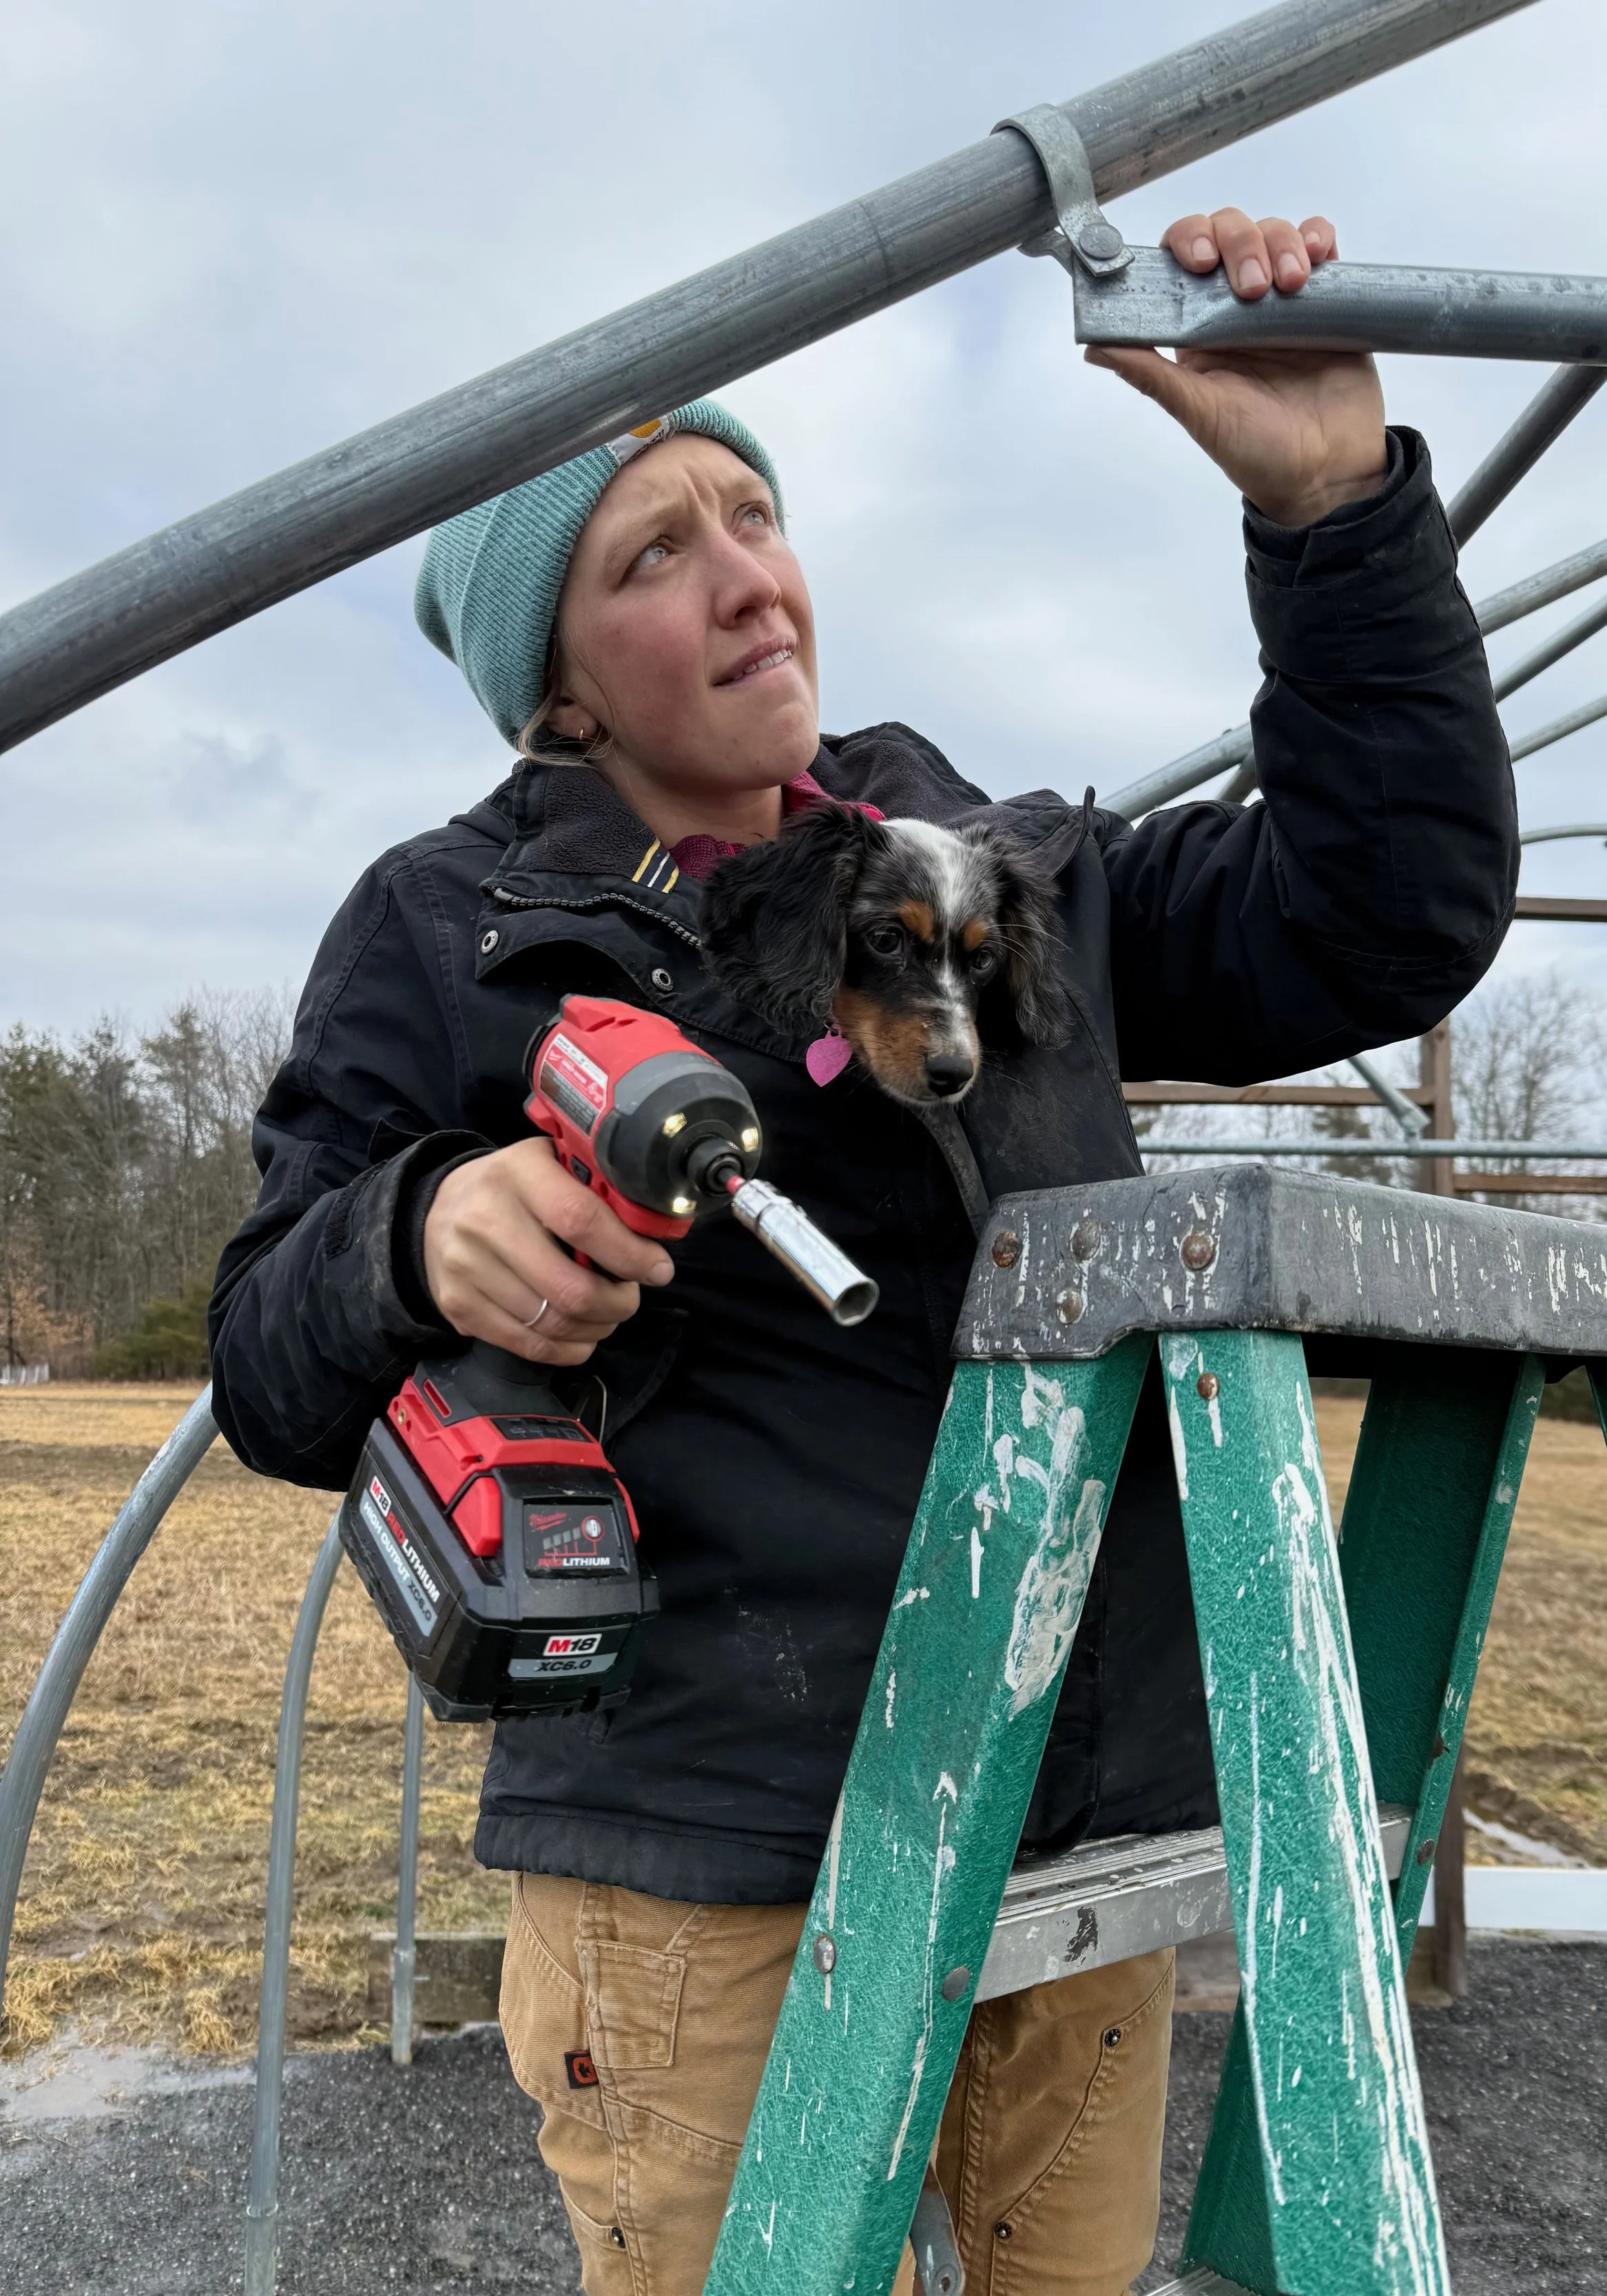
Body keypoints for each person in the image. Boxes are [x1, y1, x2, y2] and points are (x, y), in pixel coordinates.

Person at [211, 205, 1516, 2296]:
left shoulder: (994, 879)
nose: (747, 572)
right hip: (709, 1860)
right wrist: (415, 1230)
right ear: (546, 679)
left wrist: (1338, 516)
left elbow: (1387, 910)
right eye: (653, 552)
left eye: (753, 509)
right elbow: (261, 1362)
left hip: (1053, 1816)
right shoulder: (445, 936)